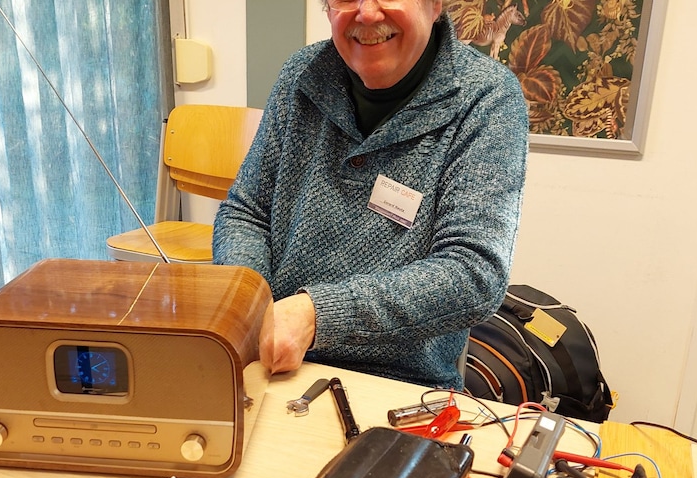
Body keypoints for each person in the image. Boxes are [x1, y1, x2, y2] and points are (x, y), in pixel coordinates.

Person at [212, 0, 528, 390]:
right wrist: (254, 304)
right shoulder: (302, 74)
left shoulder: (486, 97)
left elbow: (475, 272)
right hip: (269, 363)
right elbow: (246, 211)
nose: (367, 14)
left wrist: (317, 316)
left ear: (436, 5)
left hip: (399, 385)